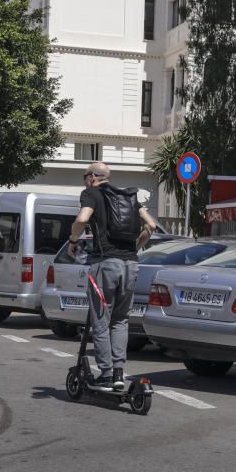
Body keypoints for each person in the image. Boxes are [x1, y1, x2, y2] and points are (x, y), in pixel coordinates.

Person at [69, 162, 158, 392]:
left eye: (84, 177)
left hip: (104, 264)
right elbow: (150, 225)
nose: (84, 181)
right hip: (130, 265)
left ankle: (106, 375)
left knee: (101, 321)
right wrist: (136, 247)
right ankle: (119, 373)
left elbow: (82, 219)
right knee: (120, 320)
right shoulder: (128, 196)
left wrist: (73, 241)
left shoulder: (91, 193)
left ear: (92, 177)